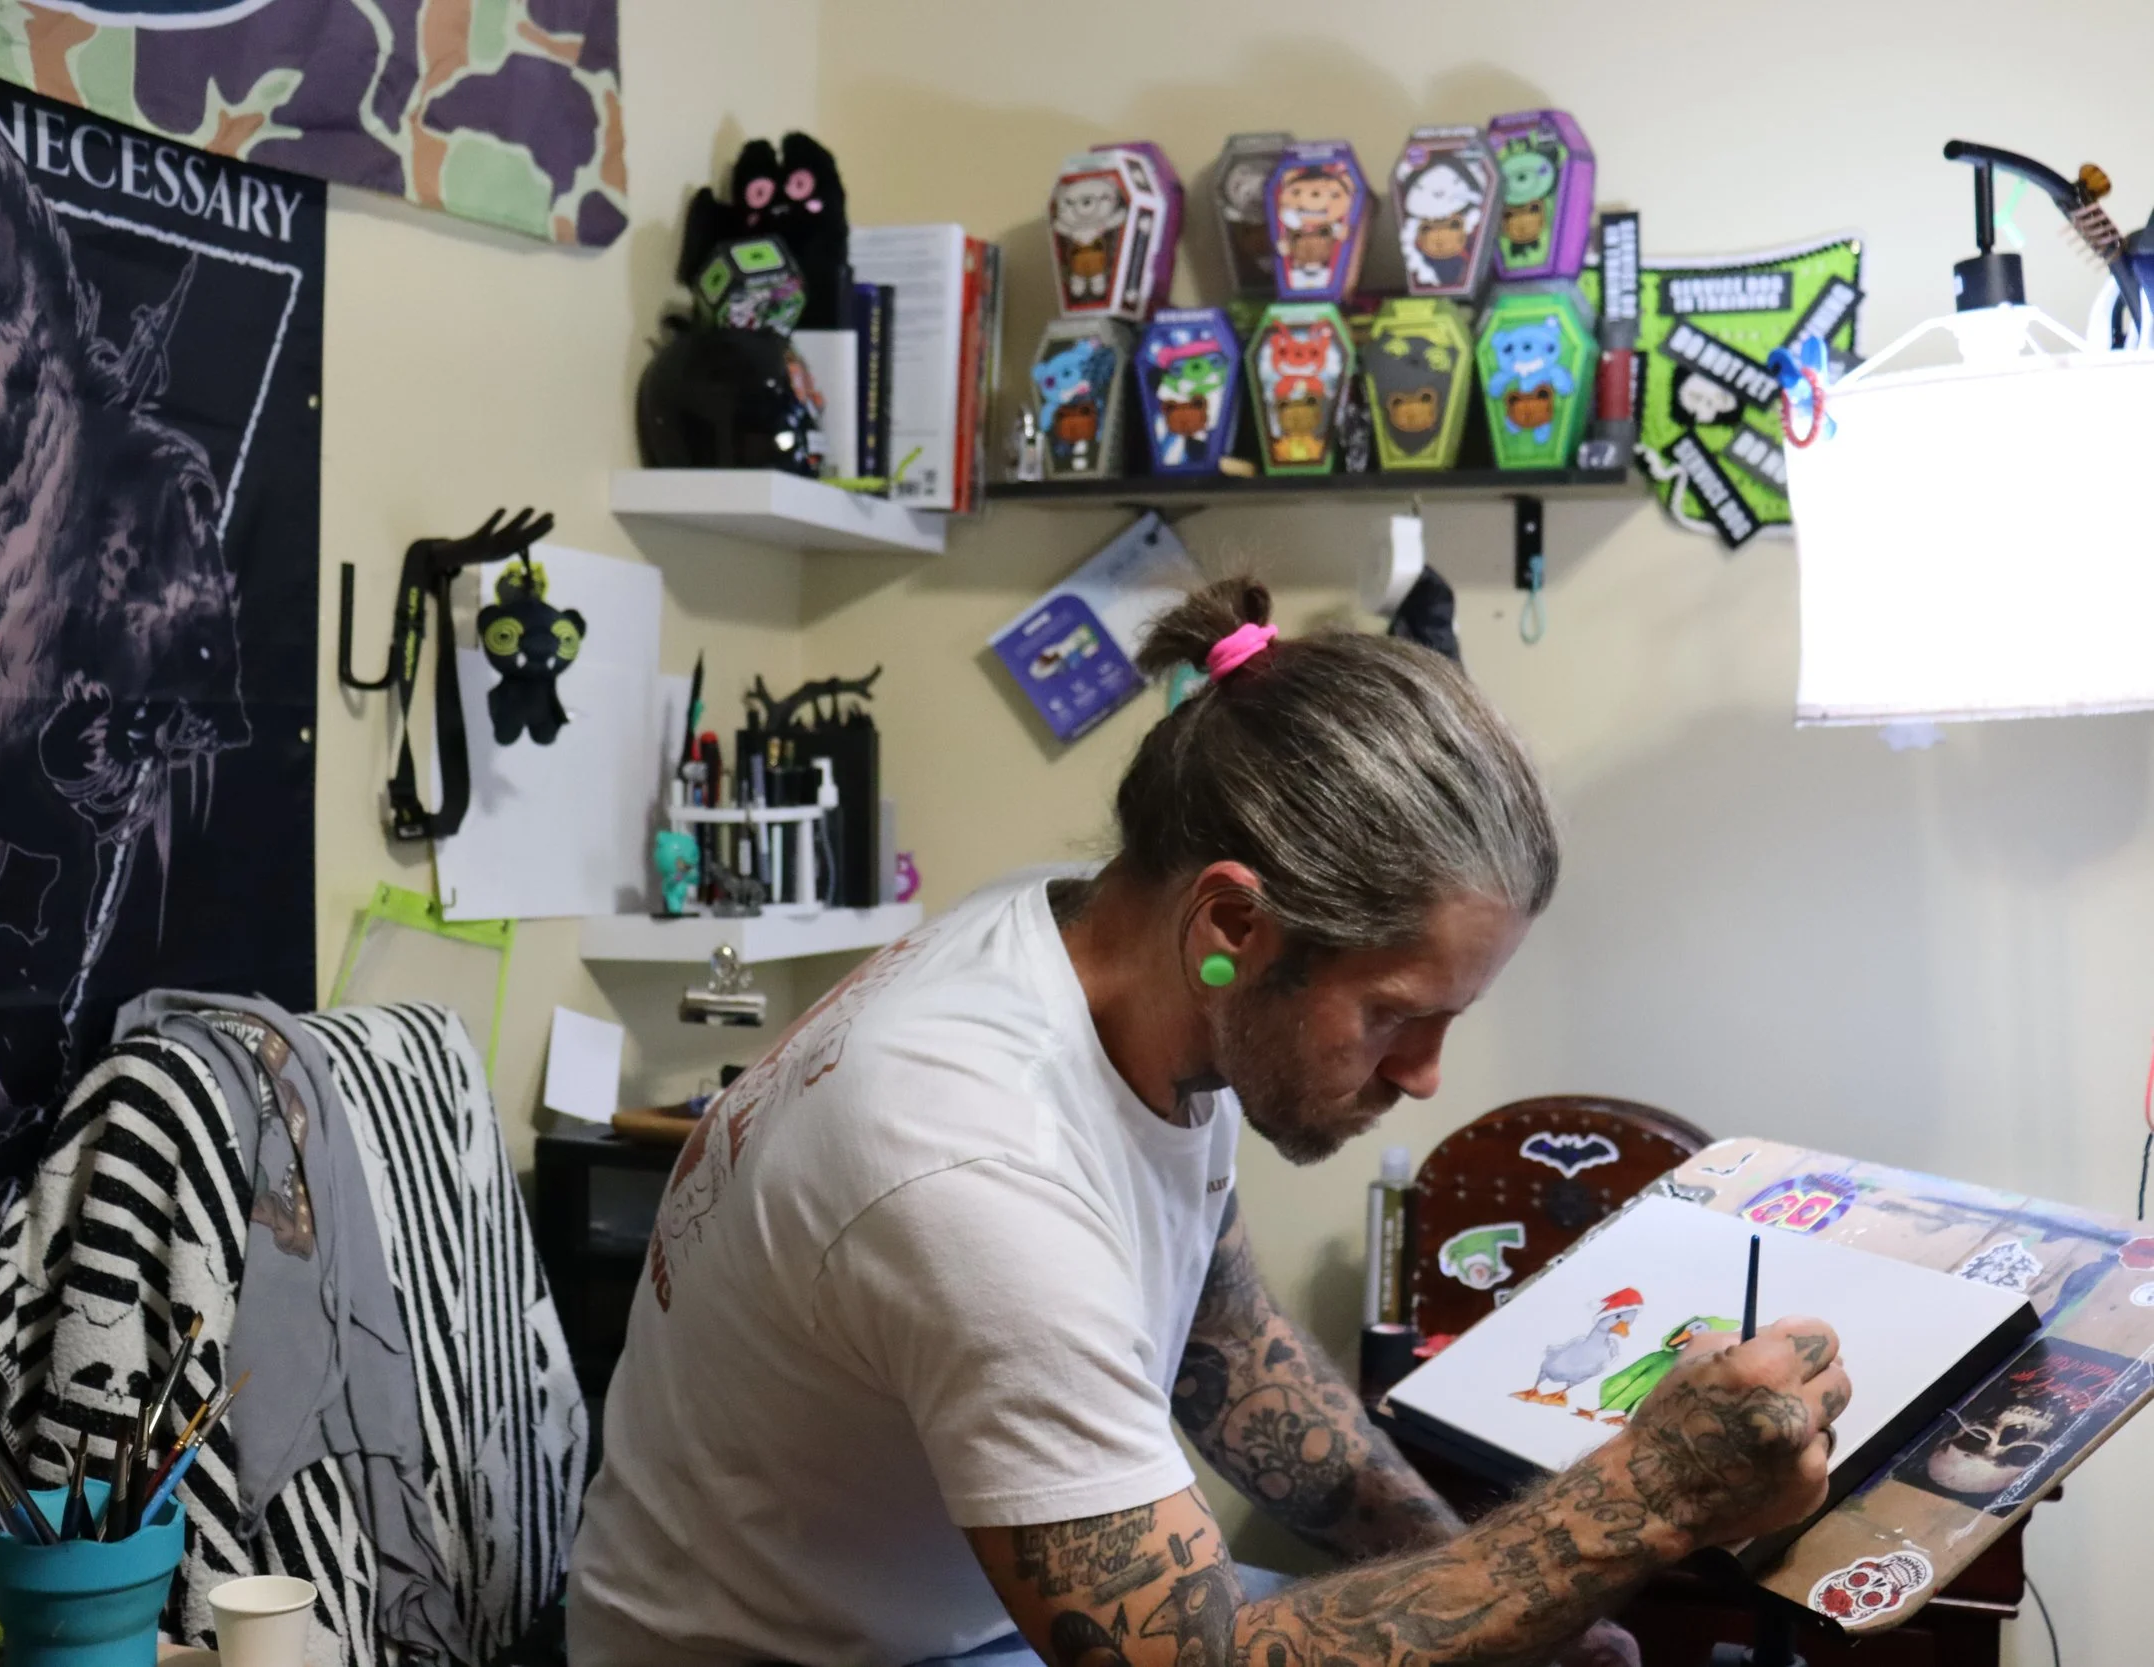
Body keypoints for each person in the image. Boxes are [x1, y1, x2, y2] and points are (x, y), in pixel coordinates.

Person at [568, 579, 1851, 1667]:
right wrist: (1637, 1499)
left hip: (949, 1619)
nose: (1423, 1076)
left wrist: (1505, 1597)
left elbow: (1222, 1340)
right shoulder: (968, 1158)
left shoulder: (1103, 952)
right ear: (1232, 923)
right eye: (1394, 1015)